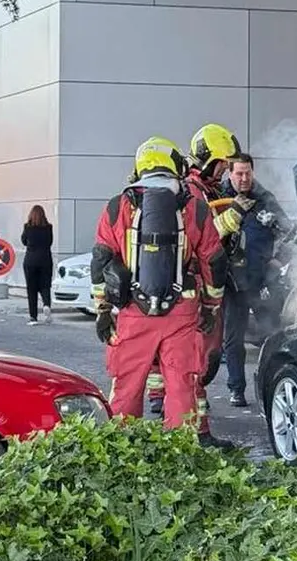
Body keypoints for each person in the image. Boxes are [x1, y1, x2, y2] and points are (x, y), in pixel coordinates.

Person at [91, 136, 230, 441]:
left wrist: (102, 310)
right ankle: (180, 456)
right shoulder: (194, 206)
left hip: (132, 312)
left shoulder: (118, 206)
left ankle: (123, 453)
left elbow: (101, 259)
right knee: (182, 387)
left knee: (127, 387)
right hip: (183, 310)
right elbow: (214, 261)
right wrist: (211, 307)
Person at [146, 124, 255, 428]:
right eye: (222, 164)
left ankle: (191, 418)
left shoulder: (209, 190)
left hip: (208, 282)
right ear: (209, 161)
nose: (224, 171)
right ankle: (192, 425)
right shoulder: (193, 192)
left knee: (203, 356)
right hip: (196, 284)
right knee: (198, 358)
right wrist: (233, 216)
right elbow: (202, 240)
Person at [219, 153, 292, 407]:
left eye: (248, 173)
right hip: (233, 282)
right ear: (230, 174)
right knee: (234, 339)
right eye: (239, 173)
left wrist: (278, 260)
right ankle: (236, 389)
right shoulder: (220, 199)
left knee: (273, 335)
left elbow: (287, 231)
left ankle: (272, 388)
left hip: (262, 281)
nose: (244, 178)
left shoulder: (264, 199)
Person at [21, 204, 54, 326]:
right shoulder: (49, 227)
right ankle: (46, 305)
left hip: (30, 260)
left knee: (31, 289)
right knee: (45, 286)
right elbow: (50, 242)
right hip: (45, 260)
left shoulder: (28, 227)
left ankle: (33, 317)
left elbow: (23, 241)